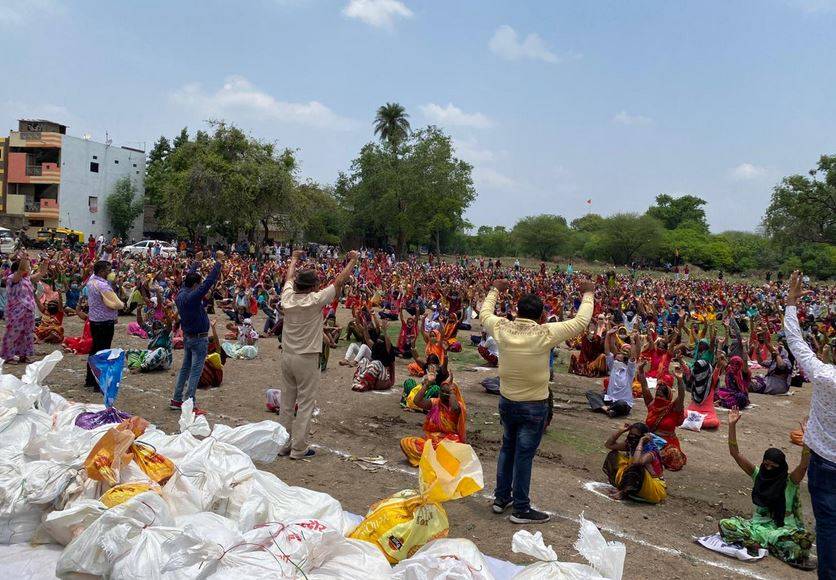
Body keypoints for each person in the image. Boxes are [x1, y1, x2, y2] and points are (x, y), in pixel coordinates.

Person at [481, 276, 595, 524]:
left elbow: (484, 313)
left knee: (507, 449)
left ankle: (501, 499)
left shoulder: (502, 327)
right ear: (542, 315)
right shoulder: (545, 332)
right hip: (534, 404)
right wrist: (588, 294)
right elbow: (581, 321)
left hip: (507, 400)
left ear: (516, 311)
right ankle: (521, 508)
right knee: (523, 455)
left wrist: (495, 290)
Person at [278, 250, 357, 459]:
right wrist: (352, 261)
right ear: (313, 286)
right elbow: (339, 281)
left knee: (286, 402)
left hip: (287, 355)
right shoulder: (315, 300)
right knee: (305, 403)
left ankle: (283, 444)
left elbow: (287, 278)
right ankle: (299, 448)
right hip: (307, 357)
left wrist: (294, 259)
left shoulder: (287, 298)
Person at [784, 271, 835, 579]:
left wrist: (791, 301)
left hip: (824, 463)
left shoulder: (824, 375)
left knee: (828, 524)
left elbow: (794, 339)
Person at [720, 408, 815, 570]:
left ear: (781, 467)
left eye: (773, 466)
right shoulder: (758, 475)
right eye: (766, 465)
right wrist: (732, 426)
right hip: (758, 528)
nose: (769, 469)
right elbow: (735, 453)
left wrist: (807, 439)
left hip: (781, 530)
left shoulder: (790, 481)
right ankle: (770, 546)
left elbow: (804, 465)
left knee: (799, 539)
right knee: (726, 524)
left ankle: (766, 545)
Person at [169, 251, 224, 414]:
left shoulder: (181, 294)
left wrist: (197, 262)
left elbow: (189, 279)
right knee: (195, 371)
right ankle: (189, 402)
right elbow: (209, 282)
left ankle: (176, 399)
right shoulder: (192, 297)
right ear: (195, 286)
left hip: (188, 337)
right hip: (199, 339)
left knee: (185, 369)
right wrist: (218, 263)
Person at [399, 368, 466, 466]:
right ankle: (434, 458)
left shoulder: (458, 406)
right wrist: (427, 384)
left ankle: (434, 458)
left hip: (450, 442)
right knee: (406, 442)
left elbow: (454, 408)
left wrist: (450, 390)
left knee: (455, 446)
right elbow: (417, 401)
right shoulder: (436, 403)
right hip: (431, 441)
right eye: (441, 391)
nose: (443, 394)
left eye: (446, 392)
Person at [602, 422, 667, 504]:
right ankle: (623, 487)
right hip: (640, 483)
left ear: (643, 437)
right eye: (630, 434)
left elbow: (636, 462)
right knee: (613, 455)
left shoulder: (651, 451)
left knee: (636, 466)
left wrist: (641, 442)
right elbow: (609, 445)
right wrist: (621, 431)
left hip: (654, 488)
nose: (632, 437)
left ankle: (624, 492)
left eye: (636, 435)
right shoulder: (631, 445)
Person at [639, 361, 687, 471]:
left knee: (672, 454)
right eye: (657, 390)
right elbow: (645, 387)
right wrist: (641, 371)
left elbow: (681, 395)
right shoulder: (652, 405)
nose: (658, 392)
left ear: (667, 396)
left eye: (661, 391)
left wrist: (679, 380)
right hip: (650, 439)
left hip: (667, 444)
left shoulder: (674, 408)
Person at [85, 260, 124, 388]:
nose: (110, 272)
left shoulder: (91, 282)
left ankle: (90, 379)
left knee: (94, 349)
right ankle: (99, 382)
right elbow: (118, 304)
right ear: (102, 272)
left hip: (95, 320)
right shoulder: (103, 286)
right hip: (104, 322)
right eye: (108, 270)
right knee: (103, 351)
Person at [586, 327, 640, 417]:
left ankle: (607, 408)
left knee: (621, 404)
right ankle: (607, 409)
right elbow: (607, 351)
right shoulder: (613, 366)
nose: (617, 356)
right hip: (610, 400)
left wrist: (633, 342)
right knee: (590, 393)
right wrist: (608, 334)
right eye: (618, 353)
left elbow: (633, 357)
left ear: (625, 358)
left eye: (621, 354)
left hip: (623, 403)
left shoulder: (629, 371)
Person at [1, 252, 42, 364]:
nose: (29, 269)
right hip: (16, 311)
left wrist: (46, 263)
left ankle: (23, 355)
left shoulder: (26, 279)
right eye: (27, 267)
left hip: (28, 310)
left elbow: (41, 274)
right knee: (13, 333)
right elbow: (19, 272)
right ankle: (8, 356)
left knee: (26, 333)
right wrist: (24, 259)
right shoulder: (12, 278)